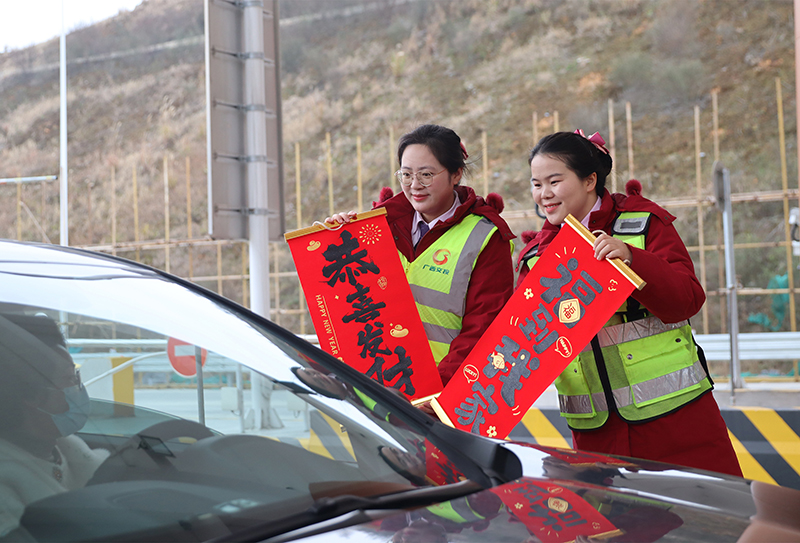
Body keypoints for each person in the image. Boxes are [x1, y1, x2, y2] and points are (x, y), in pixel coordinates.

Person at [515, 130, 741, 477]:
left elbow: (687, 299)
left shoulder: (644, 223)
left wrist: (633, 260)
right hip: (596, 435)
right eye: (536, 184)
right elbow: (521, 345)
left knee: (711, 511)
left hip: (676, 421)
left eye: (554, 181)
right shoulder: (536, 257)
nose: (543, 194)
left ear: (589, 180)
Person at [327, 124, 515, 387]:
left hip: (445, 394)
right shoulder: (378, 228)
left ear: (456, 174)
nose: (415, 185)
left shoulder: (486, 237)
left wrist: (436, 389)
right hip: (378, 386)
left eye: (426, 174)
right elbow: (349, 301)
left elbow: (484, 328)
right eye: (406, 175)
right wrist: (334, 238)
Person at [0, 313, 109, 538]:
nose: (78, 388)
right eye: (70, 379)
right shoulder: (6, 484)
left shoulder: (68, 448)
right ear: (31, 396)